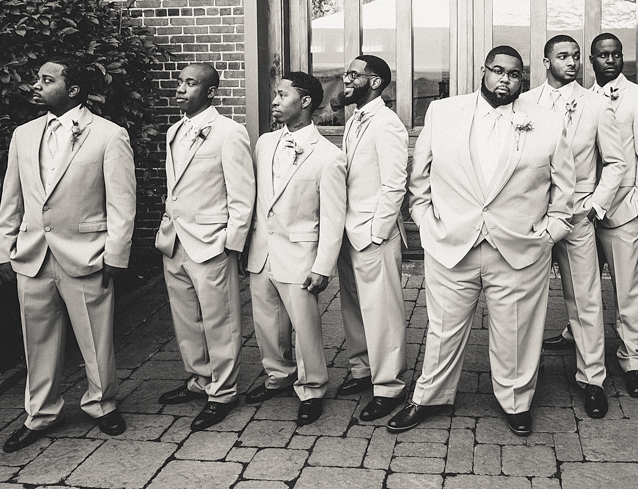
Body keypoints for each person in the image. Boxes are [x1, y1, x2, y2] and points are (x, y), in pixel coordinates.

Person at [388, 45, 574, 437]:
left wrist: (549, 233)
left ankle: (516, 401)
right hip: (452, 244)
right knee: (442, 328)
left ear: (523, 79)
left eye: (514, 74)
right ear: (483, 71)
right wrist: (425, 222)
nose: (505, 79)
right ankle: (429, 397)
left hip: (520, 248)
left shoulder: (547, 121)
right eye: (498, 71)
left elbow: (564, 189)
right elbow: (418, 179)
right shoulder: (443, 112)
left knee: (518, 331)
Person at [0, 59, 135, 452]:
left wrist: (115, 254)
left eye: (46, 79)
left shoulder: (109, 135)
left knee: (95, 337)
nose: (35, 85)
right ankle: (40, 413)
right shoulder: (23, 135)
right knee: (36, 340)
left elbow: (122, 202)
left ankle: (102, 404)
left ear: (73, 89)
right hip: (33, 254)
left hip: (87, 253)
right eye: (37, 79)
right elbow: (12, 197)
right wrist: (4, 249)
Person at [545, 33, 638, 399]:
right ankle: (577, 337)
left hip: (621, 207)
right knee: (584, 285)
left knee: (629, 288)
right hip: (575, 210)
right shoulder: (581, 98)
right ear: (593, 61)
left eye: (616, 55)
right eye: (602, 56)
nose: (609, 61)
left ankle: (634, 360)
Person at [523, 35, 624, 418]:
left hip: (579, 214)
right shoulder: (525, 102)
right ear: (545, 61)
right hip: (532, 215)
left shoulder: (597, 104)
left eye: (576, 56)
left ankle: (593, 379)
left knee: (585, 298)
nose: (572, 62)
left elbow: (615, 162)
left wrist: (596, 205)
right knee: (525, 299)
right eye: (563, 56)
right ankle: (526, 377)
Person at [155, 63, 255, 430]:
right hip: (175, 241)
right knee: (186, 320)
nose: (180, 88)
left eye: (190, 83)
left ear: (211, 92)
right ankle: (199, 380)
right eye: (180, 82)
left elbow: (243, 195)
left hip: (212, 243)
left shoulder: (230, 133)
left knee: (220, 320)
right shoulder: (174, 130)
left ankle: (223, 392)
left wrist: (233, 244)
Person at [244, 72, 346, 426]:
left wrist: (323, 266)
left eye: (281, 94)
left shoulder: (329, 156)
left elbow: (334, 218)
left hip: (301, 255)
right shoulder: (264, 143)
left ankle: (312, 388)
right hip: (262, 250)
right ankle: (278, 376)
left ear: (304, 102)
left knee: (305, 328)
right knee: (267, 322)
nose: (274, 100)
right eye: (274, 94)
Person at [334, 55, 410, 422]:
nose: (345, 79)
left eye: (353, 74)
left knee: (383, 314)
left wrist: (375, 234)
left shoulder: (388, 124)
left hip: (373, 236)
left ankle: (390, 386)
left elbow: (395, 185)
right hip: (348, 233)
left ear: (375, 82)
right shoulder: (354, 121)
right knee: (354, 309)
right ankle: (363, 370)